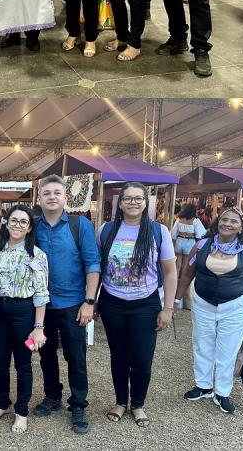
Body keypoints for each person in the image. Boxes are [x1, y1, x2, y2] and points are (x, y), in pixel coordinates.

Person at [96, 183, 177, 428]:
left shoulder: (158, 231)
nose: (132, 202)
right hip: (112, 302)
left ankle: (138, 403)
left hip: (146, 303)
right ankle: (121, 401)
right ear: (120, 203)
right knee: (118, 355)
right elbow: (96, 267)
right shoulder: (106, 230)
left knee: (142, 357)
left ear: (145, 202)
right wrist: (93, 300)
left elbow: (171, 271)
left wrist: (168, 308)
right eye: (127, 198)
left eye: (138, 198)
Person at [175, 207, 243, 414]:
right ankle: (203, 386)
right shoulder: (202, 245)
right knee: (202, 345)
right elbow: (187, 275)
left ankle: (222, 392)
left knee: (227, 350)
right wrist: (176, 299)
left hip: (235, 306)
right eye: (224, 219)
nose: (227, 224)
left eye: (233, 221)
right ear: (217, 222)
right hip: (204, 304)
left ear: (242, 227)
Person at [33, 175, 100, 434]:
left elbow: (92, 264)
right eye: (46, 193)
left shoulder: (79, 225)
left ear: (65, 197)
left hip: (73, 303)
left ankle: (78, 403)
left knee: (76, 356)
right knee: (46, 354)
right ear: (39, 198)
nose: (51, 197)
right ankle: (52, 395)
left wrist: (89, 301)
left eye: (57, 192)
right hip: (41, 305)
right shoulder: (33, 226)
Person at [0, 205, 49, 435]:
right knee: (0, 362)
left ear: (30, 227)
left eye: (23, 222)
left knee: (23, 363)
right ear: (6, 222)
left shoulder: (37, 254)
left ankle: (22, 411)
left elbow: (42, 293)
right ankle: (2, 403)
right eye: (14, 220)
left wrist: (38, 327)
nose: (17, 225)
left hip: (24, 312)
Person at [171, 203, 206, 308]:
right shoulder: (195, 221)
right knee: (186, 266)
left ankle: (174, 282)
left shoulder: (179, 219)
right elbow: (201, 234)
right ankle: (183, 285)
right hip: (189, 242)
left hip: (179, 241)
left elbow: (173, 234)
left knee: (177, 265)